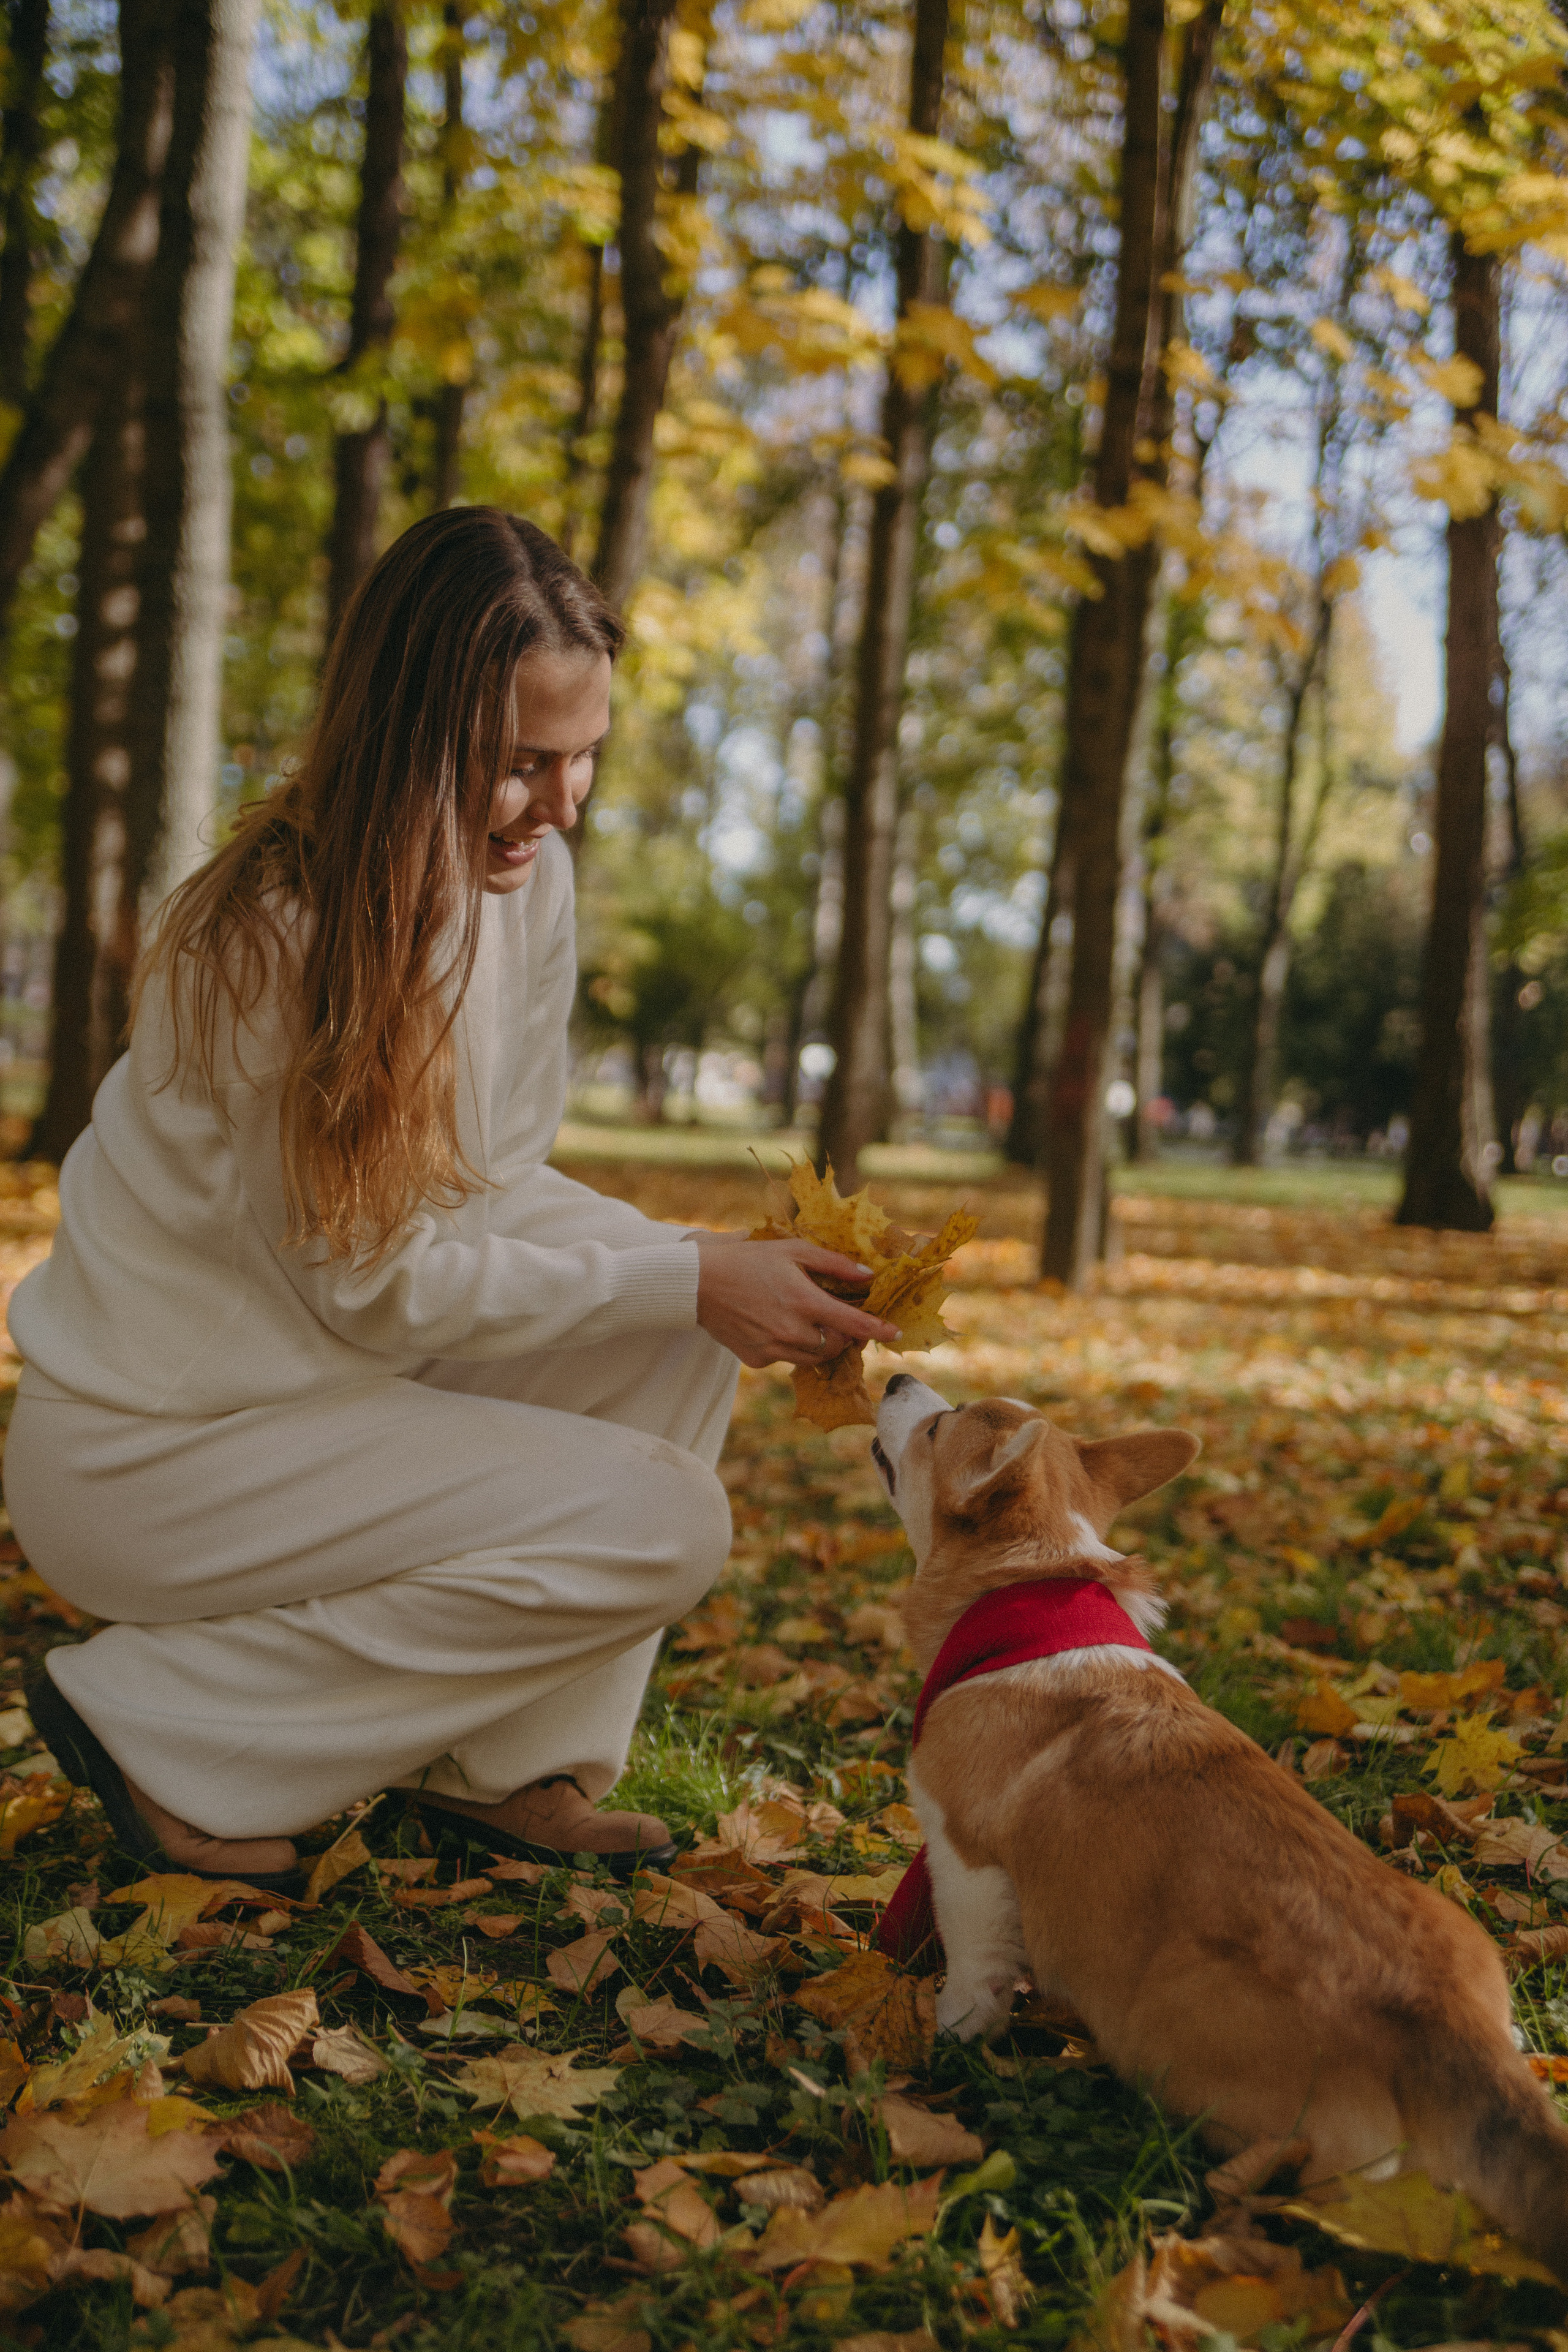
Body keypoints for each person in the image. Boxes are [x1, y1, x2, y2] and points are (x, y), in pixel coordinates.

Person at [6, 510, 895, 1891]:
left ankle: (504, 1768)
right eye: (519, 764)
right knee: (666, 1518)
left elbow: (492, 1187)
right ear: (408, 739)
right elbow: (372, 1279)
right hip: (159, 1452)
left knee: (675, 1322)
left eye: (585, 753)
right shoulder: (267, 936)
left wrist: (717, 1268)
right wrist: (685, 1272)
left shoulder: (523, 888)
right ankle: (156, 1723)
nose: (564, 804)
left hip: (324, 1392)